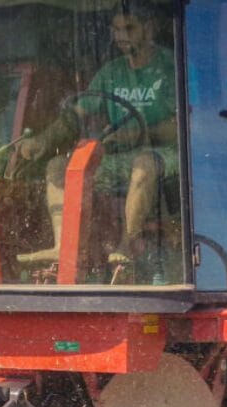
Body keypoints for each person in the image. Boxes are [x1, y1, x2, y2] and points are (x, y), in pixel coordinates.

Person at [15, 2, 178, 277]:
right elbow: (75, 116)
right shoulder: (111, 72)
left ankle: (127, 244)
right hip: (121, 158)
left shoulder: (171, 66)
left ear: (149, 29)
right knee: (58, 167)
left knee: (143, 163)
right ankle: (63, 246)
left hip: (168, 155)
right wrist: (43, 140)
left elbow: (183, 127)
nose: (121, 35)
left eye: (129, 28)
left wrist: (142, 133)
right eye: (116, 29)